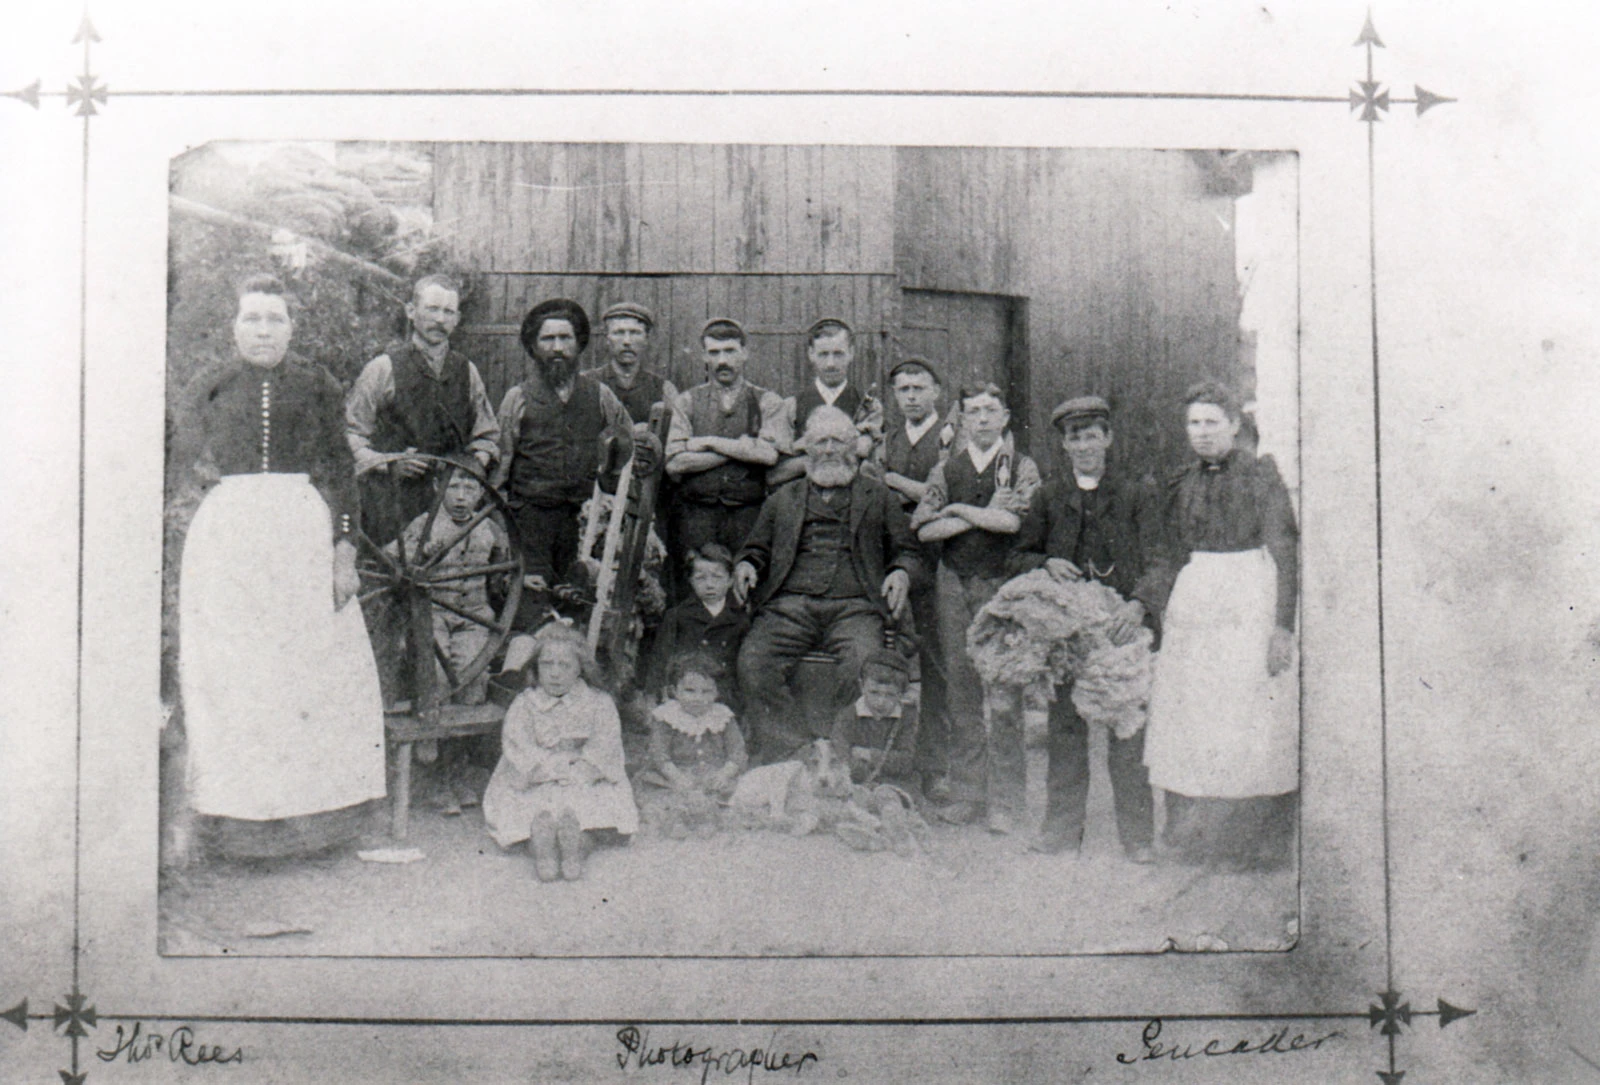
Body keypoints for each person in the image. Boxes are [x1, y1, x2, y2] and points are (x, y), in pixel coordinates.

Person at [170, 274, 386, 859]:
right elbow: (178, 467)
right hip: (230, 538)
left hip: (301, 532)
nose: (263, 330)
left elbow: (340, 471)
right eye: (252, 319)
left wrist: (344, 551)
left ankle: (314, 825)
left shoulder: (317, 384)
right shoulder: (209, 385)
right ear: (234, 326)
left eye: (275, 319)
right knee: (237, 674)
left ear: (291, 327)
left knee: (306, 670)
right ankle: (236, 828)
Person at [1135, 380, 1299, 873]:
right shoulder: (1180, 482)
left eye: (1211, 422)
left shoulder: (1261, 476)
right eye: (1193, 423)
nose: (1202, 433)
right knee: (1191, 716)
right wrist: (1153, 608)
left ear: (1234, 425)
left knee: (1243, 718)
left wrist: (1282, 628)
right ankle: (1192, 838)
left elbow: (1287, 551)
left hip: (1248, 597)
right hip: (1195, 602)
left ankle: (1246, 846)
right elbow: (1167, 554)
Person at [1009, 396, 1156, 862]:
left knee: (1127, 731)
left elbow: (1161, 559)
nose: (1084, 445)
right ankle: (1061, 830)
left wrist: (1139, 605)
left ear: (1108, 439)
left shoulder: (1137, 493)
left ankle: (1138, 837)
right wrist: (1046, 561)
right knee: (1065, 730)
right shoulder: (1049, 496)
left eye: (1092, 435)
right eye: (1075, 437)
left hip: (1119, 630)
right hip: (1068, 632)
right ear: (1064, 445)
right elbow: (1017, 556)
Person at [733, 406, 921, 763]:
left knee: (864, 666)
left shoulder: (877, 496)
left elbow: (908, 551)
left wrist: (901, 572)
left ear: (853, 447)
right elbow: (756, 547)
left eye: (838, 441)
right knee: (754, 663)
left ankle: (840, 752)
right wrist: (746, 563)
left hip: (856, 606)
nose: (830, 450)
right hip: (790, 606)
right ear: (807, 448)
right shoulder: (782, 498)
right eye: (821, 442)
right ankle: (794, 751)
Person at [911, 382, 1041, 834]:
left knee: (1003, 692)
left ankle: (1007, 801)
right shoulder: (947, 469)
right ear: (962, 421)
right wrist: (974, 509)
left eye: (990, 410)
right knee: (961, 691)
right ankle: (969, 794)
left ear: (1005, 417)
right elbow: (923, 528)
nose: (982, 419)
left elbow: (1013, 521)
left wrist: (958, 512)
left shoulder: (1022, 467)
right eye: (972, 412)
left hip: (1001, 586)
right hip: (953, 584)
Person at [386, 456, 511, 814]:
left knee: (472, 686)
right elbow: (391, 559)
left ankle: (457, 772)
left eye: (469, 487)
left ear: (480, 492)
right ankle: (435, 778)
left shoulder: (490, 528)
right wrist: (414, 555)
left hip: (475, 619)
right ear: (437, 489)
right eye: (453, 486)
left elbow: (503, 574)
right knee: (435, 684)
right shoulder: (424, 525)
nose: (460, 496)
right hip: (434, 617)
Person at [492, 298, 635, 596]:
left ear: (579, 344)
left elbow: (626, 445)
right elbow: (500, 469)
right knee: (533, 601)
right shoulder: (517, 398)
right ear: (533, 347)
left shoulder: (600, 395)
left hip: (584, 523)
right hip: (531, 523)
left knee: (580, 599)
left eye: (565, 338)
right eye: (548, 338)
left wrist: (607, 489)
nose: (557, 347)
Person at [345, 273, 499, 545]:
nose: (440, 319)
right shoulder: (382, 368)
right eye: (432, 309)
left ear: (457, 319)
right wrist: (388, 463)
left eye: (448, 312)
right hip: (391, 505)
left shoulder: (467, 371)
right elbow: (351, 436)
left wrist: (466, 469)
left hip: (451, 507)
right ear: (411, 311)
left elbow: (487, 437)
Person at [482, 623, 639, 882]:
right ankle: (542, 849)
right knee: (525, 810)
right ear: (536, 668)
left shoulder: (598, 702)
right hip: (536, 777)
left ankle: (575, 847)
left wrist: (581, 770)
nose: (555, 673)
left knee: (594, 810)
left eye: (564, 665)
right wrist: (549, 770)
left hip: (584, 775)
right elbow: (517, 745)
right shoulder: (526, 703)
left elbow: (605, 745)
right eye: (547, 664)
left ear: (581, 668)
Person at [880, 357, 958, 800]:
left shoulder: (950, 440)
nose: (910, 396)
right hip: (892, 555)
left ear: (936, 392)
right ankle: (881, 759)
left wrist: (893, 480)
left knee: (937, 662)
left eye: (919, 388)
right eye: (903, 389)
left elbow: (941, 492)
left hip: (938, 559)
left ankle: (935, 765)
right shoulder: (886, 440)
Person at [664, 317, 788, 594]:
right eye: (714, 352)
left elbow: (768, 456)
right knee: (693, 592)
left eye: (730, 351)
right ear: (703, 356)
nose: (723, 360)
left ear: (744, 353)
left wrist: (708, 442)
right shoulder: (687, 402)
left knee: (747, 590)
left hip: (749, 516)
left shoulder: (767, 401)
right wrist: (742, 449)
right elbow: (675, 463)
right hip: (695, 517)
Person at [635, 651, 750, 839]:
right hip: (675, 776)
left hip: (713, 776)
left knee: (731, 799)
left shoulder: (722, 716)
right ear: (674, 691)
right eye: (690, 691)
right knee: (667, 801)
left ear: (716, 692)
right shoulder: (667, 717)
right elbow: (659, 755)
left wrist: (725, 773)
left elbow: (737, 752)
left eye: (706, 691)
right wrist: (678, 777)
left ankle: (710, 822)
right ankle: (679, 822)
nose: (698, 698)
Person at [767, 318, 882, 487]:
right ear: (811, 354)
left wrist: (805, 449)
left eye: (838, 354)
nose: (831, 364)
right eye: (823, 354)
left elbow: (874, 466)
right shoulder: (791, 407)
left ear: (851, 353)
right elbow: (775, 475)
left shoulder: (870, 408)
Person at [649, 543, 751, 710]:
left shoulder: (740, 621)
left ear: (730, 580)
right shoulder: (677, 616)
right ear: (691, 581)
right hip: (684, 697)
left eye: (717, 577)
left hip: (724, 699)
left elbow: (744, 670)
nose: (709, 585)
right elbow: (660, 659)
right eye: (700, 578)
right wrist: (655, 694)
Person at [829, 649, 920, 787]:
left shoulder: (907, 718)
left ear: (902, 693)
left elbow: (907, 761)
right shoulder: (848, 716)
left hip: (895, 784)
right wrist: (861, 772)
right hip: (855, 782)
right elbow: (840, 754)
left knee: (892, 801)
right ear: (862, 686)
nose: (880, 702)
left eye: (890, 695)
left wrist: (869, 755)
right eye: (874, 692)